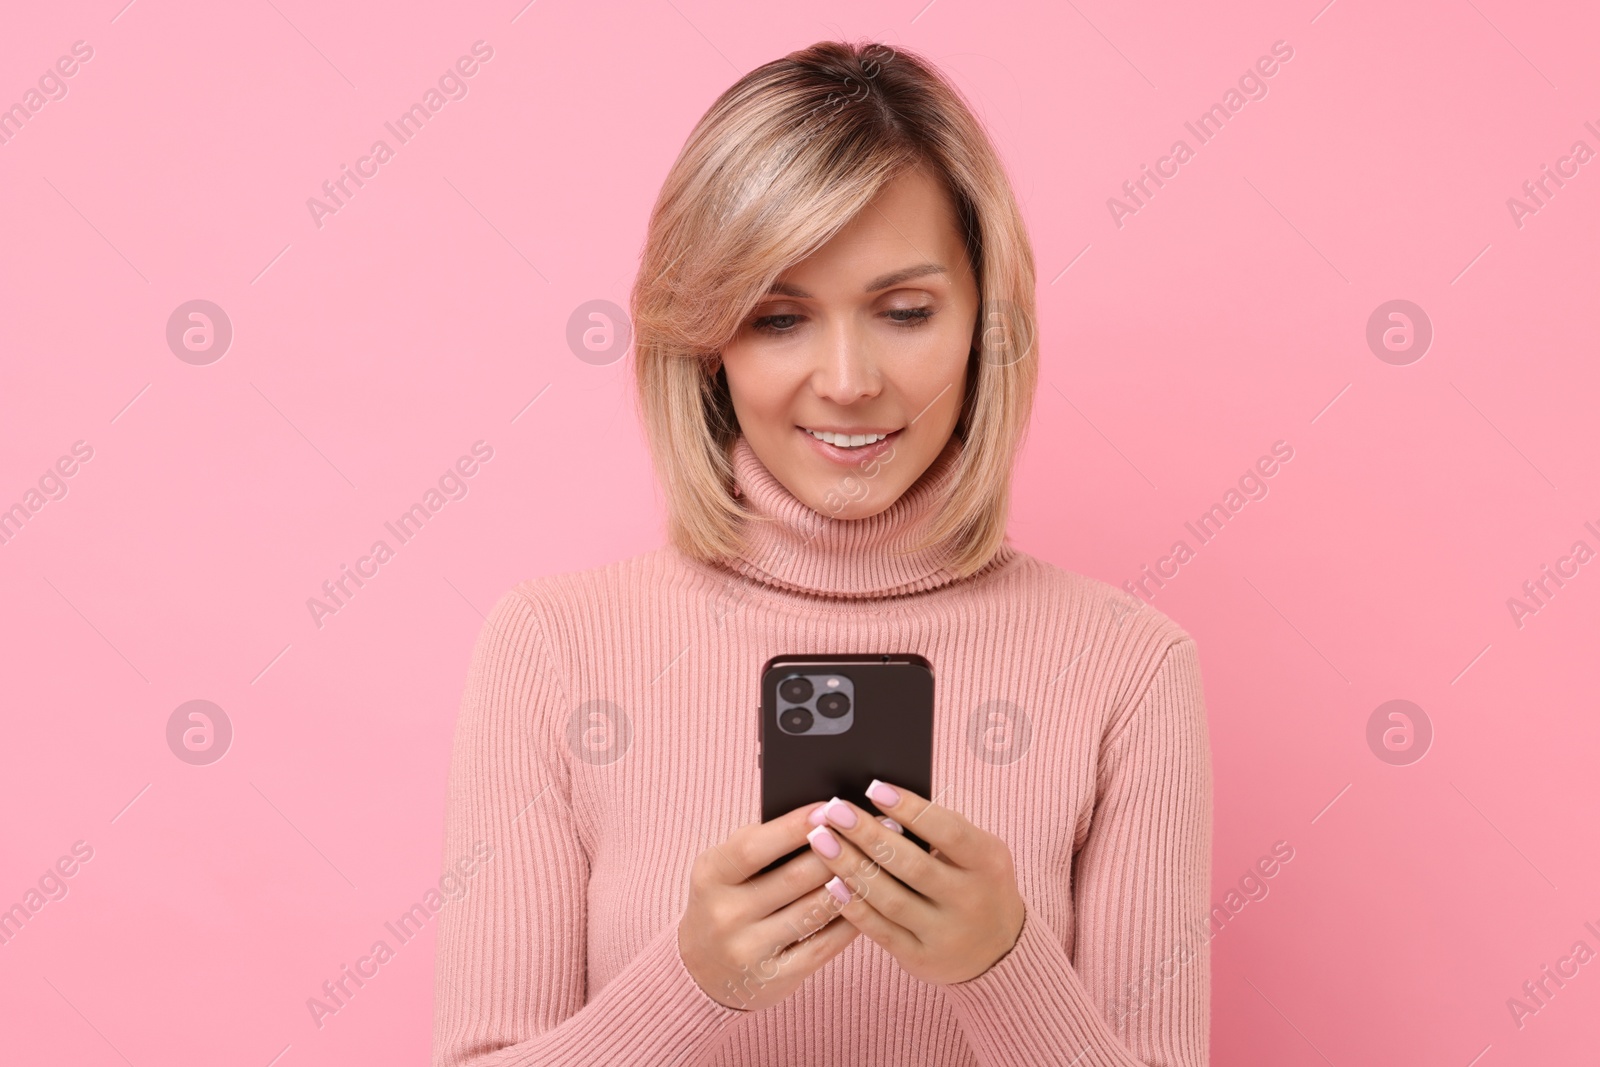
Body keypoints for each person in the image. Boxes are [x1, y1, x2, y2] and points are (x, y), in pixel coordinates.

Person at [430, 39, 1212, 1067]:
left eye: (903, 311)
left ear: (987, 322)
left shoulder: (1129, 667)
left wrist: (1002, 964)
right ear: (705, 340)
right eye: (780, 315)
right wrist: (689, 985)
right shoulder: (551, 647)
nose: (847, 379)